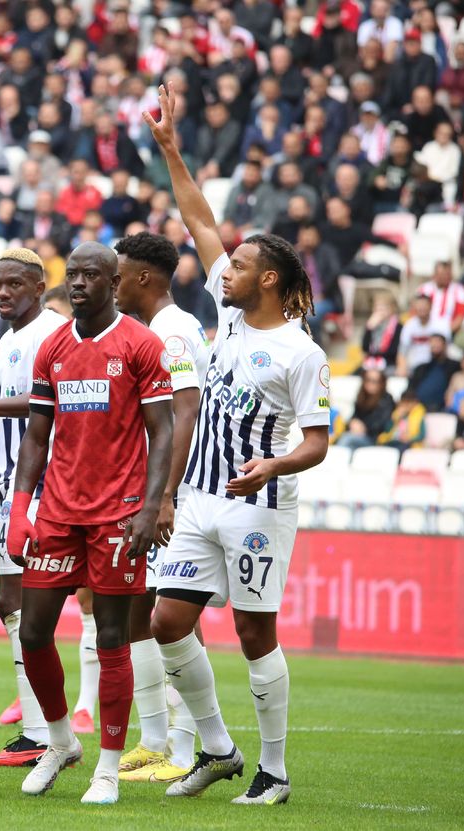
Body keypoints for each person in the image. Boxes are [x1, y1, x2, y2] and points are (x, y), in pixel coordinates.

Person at [145, 83, 330, 805]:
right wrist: (170, 148)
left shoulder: (298, 351)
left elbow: (316, 442)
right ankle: (218, 749)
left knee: (255, 632)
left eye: (239, 266)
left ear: (270, 279)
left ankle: (275, 771)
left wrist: (273, 465)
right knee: (167, 620)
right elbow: (198, 217)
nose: (225, 270)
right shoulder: (230, 324)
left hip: (260, 500)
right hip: (198, 496)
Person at [5, 241, 174, 805]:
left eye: (90, 275)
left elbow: (162, 430)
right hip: (57, 509)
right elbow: (36, 433)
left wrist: (152, 507)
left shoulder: (139, 344)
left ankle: (107, 765)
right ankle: (59, 742)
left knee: (111, 637)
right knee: (32, 633)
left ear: (114, 279)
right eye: (72, 275)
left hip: (118, 514)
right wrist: (19, 508)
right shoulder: (52, 347)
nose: (78, 283)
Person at [113, 231, 213, 784]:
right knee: (138, 610)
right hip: (149, 491)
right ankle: (154, 740)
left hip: (177, 494)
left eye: (120, 273)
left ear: (144, 278)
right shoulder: (155, 328)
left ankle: (180, 746)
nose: (113, 282)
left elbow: (185, 411)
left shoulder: (171, 332)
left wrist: (165, 496)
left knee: (172, 613)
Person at [0, 248, 67, 766]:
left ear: (39, 288)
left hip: (39, 490)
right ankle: (36, 731)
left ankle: (44, 734)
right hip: (7, 487)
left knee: (27, 607)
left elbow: (53, 403)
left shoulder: (49, 333)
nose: (4, 292)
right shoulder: (12, 338)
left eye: (15, 283)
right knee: (11, 604)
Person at [335, 369, 396, 449]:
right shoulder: (362, 397)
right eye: (368, 380)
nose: (370, 383)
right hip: (358, 436)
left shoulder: (387, 400)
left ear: (382, 383)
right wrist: (352, 423)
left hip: (375, 439)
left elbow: (383, 424)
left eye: (375, 381)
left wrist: (363, 428)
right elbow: (354, 417)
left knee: (347, 439)